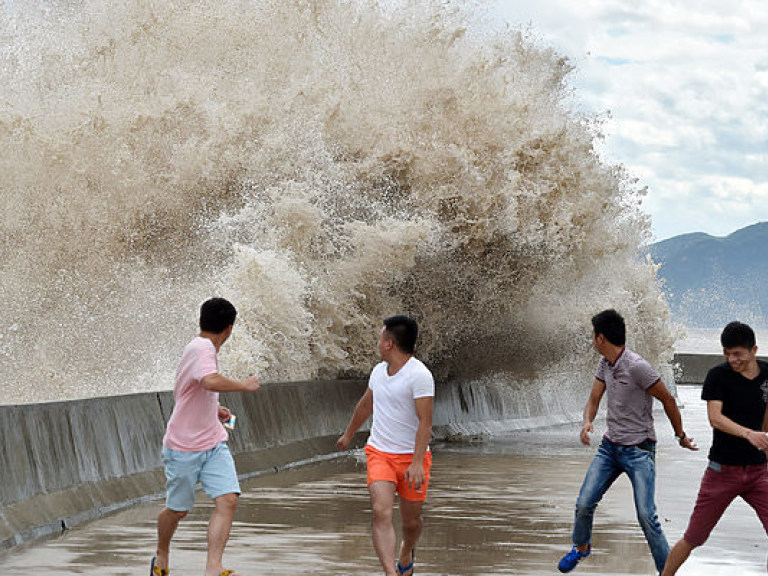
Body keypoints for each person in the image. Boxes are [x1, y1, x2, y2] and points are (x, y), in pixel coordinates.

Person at [557, 309, 698, 574]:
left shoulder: (637, 366)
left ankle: (666, 571)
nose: (591, 339)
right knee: (584, 503)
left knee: (647, 516)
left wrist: (680, 435)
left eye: (592, 335)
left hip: (639, 451)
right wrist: (587, 421)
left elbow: (667, 399)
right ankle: (581, 546)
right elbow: (594, 398)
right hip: (609, 449)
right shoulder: (604, 364)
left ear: (600, 338)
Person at [151, 298, 260, 576]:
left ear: (201, 321)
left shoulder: (199, 348)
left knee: (228, 500)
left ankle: (214, 567)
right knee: (177, 511)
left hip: (212, 442)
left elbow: (197, 389)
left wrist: (215, 409)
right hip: (183, 447)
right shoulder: (202, 348)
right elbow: (208, 380)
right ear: (229, 329)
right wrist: (244, 386)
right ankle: (161, 553)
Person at [661, 321, 768, 575]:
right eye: (727, 353)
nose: (732, 359)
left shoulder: (767, 375)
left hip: (758, 473)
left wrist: (763, 441)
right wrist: (748, 434)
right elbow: (715, 418)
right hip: (722, 472)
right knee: (693, 538)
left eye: (738, 354)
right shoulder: (718, 376)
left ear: (753, 350)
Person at [336, 315, 434, 576]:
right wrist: (348, 434)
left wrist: (416, 463)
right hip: (379, 452)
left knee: (411, 523)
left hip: (412, 459)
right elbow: (366, 405)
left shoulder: (420, 376)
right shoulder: (379, 371)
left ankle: (406, 550)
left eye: (380, 338)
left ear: (389, 343)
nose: (378, 343)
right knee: (381, 511)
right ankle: (391, 573)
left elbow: (426, 423)